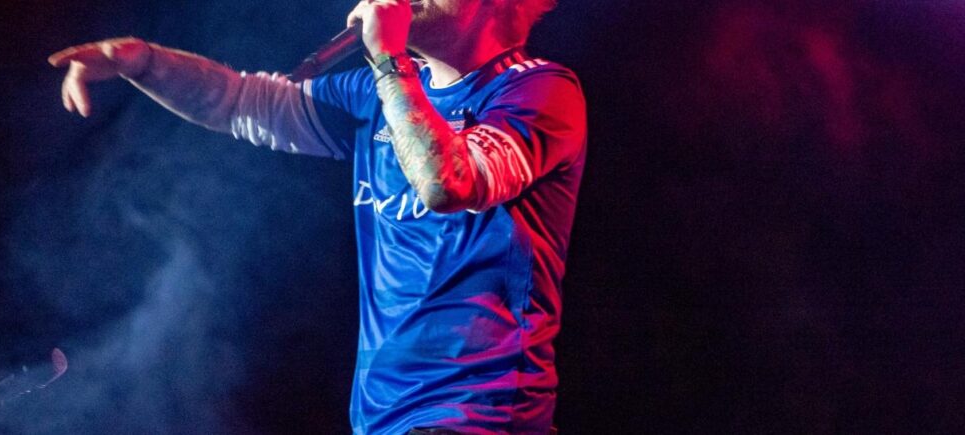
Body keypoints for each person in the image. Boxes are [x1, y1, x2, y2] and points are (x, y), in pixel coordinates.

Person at [48, 0, 585, 433]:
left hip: (478, 413)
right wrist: (145, 63)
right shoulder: (377, 94)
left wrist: (387, 62)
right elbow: (239, 101)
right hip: (383, 417)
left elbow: (447, 184)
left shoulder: (539, 91)